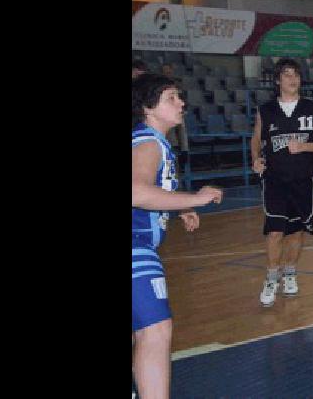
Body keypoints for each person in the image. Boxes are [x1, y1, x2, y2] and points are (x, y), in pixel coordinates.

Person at [132, 73, 223, 398]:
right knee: (155, 330)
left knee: (145, 330)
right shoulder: (148, 142)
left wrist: (177, 206)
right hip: (134, 246)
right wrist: (195, 199)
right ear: (148, 107)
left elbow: (150, 192)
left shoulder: (150, 141)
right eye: (171, 97)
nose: (181, 102)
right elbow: (136, 192)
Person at [250, 58, 313, 307]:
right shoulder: (266, 110)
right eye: (287, 75)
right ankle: (271, 277)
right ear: (278, 80)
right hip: (275, 179)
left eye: (295, 74)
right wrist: (255, 158)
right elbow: (255, 140)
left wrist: (304, 146)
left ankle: (290, 273)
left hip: (303, 179)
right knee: (275, 231)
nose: (292, 79)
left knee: (296, 232)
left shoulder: (312, 107)